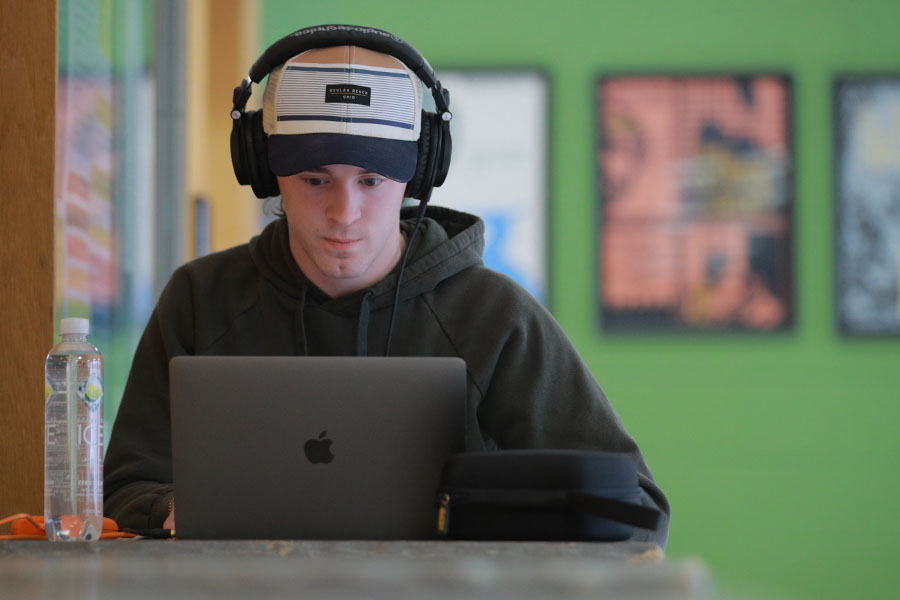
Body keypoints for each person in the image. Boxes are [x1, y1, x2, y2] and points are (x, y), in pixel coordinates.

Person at [103, 24, 671, 546]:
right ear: (264, 167)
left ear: (416, 175)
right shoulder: (201, 298)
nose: (343, 212)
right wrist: (171, 508)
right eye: (314, 178)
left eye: (371, 180)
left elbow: (636, 514)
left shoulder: (495, 316)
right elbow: (126, 489)